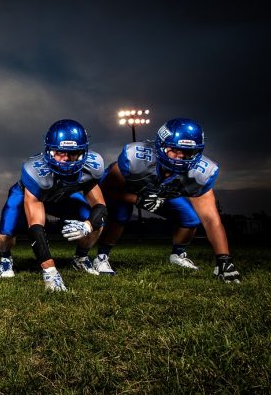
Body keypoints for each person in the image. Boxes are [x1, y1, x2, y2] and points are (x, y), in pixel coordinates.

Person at [96, 118, 241, 282]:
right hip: (128, 190)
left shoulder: (200, 173)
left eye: (188, 152)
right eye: (174, 149)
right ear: (160, 146)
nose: (180, 157)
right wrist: (137, 199)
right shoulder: (135, 159)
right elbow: (107, 189)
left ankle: (178, 255)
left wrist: (224, 259)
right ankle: (101, 257)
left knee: (190, 219)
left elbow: (211, 219)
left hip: (162, 193)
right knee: (120, 215)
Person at [0, 119, 107, 291]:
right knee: (6, 233)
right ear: (49, 151)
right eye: (59, 152)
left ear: (83, 152)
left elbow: (100, 206)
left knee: (97, 221)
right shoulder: (34, 172)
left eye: (72, 153)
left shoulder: (93, 166)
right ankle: (5, 257)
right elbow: (36, 226)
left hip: (62, 197)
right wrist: (50, 270)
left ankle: (81, 258)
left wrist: (88, 225)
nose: (65, 159)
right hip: (31, 194)